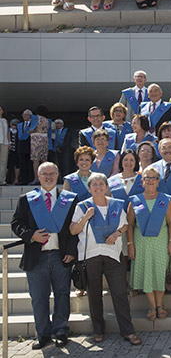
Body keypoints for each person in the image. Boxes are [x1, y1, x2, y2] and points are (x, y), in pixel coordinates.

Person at [11, 162, 78, 350]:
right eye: (44, 174)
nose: (48, 177)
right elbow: (16, 223)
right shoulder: (27, 199)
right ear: (39, 177)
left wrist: (72, 251)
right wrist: (30, 235)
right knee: (39, 297)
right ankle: (43, 334)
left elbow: (75, 228)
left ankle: (61, 331)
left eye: (52, 173)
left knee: (62, 295)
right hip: (36, 256)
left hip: (60, 255)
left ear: (58, 175)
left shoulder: (69, 199)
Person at [70, 173, 141, 345]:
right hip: (91, 256)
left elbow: (125, 224)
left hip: (113, 255)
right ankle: (98, 330)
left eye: (101, 184)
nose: (98, 187)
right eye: (94, 185)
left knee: (120, 293)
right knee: (94, 295)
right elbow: (73, 230)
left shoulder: (116, 204)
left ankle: (128, 331)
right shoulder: (82, 206)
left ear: (107, 186)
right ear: (89, 188)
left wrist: (117, 233)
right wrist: (85, 217)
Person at [127, 165, 171, 320]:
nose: (150, 181)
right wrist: (130, 244)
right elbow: (129, 224)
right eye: (147, 178)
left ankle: (160, 305)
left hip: (161, 241)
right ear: (142, 181)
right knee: (147, 272)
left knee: (160, 272)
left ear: (158, 181)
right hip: (141, 243)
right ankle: (152, 307)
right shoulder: (134, 201)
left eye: (153, 178)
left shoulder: (165, 200)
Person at [29, 106, 50, 184]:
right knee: (44, 159)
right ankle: (46, 178)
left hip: (36, 139)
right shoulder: (47, 120)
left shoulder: (35, 118)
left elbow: (32, 129)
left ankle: (36, 178)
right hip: (45, 139)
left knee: (36, 160)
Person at [0, 105, 9, 185]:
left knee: (3, 161)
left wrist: (9, 142)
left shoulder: (4, 120)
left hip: (4, 143)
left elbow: (7, 132)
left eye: (0, 110)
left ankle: (2, 180)